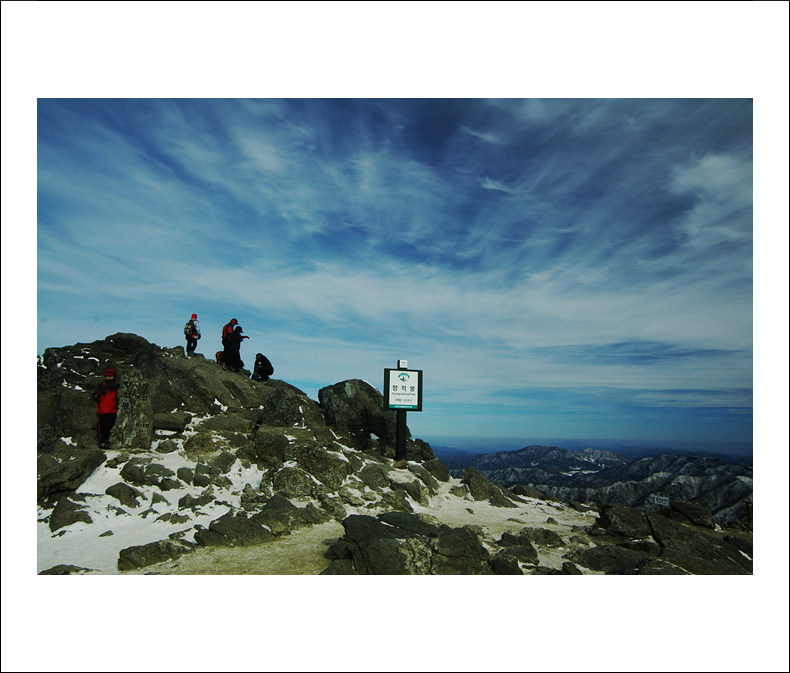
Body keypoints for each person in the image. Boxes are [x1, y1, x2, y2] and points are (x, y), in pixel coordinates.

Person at [91, 368, 119, 449]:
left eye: (111, 376)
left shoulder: (117, 386)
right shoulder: (101, 385)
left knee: (110, 427)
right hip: (102, 410)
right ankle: (103, 442)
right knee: (102, 428)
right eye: (107, 376)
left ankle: (107, 442)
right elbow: (94, 395)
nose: (109, 377)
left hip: (112, 410)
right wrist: (95, 396)